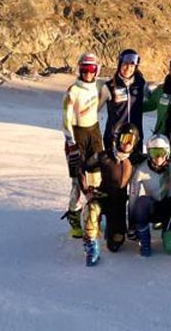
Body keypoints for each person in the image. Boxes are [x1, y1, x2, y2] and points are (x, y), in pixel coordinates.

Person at [79, 123, 141, 266]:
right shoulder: (104, 156)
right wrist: (86, 190)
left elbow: (157, 159)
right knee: (92, 209)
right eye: (125, 138)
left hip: (118, 205)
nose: (127, 144)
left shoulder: (134, 159)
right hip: (102, 197)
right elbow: (82, 169)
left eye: (131, 140)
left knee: (115, 244)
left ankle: (109, 226)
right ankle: (91, 244)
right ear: (118, 138)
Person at [60, 52, 105, 238]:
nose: (88, 73)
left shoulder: (99, 86)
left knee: (97, 180)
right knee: (79, 182)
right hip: (77, 136)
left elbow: (100, 104)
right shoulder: (73, 91)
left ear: (97, 70)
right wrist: (71, 143)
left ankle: (94, 218)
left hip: (94, 133)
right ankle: (74, 216)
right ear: (79, 69)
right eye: (84, 69)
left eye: (91, 69)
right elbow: (65, 119)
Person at [128, 134, 171, 256]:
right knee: (141, 203)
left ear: (168, 152)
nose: (158, 158)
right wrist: (132, 223)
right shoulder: (141, 170)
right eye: (154, 153)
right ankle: (145, 240)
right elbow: (133, 198)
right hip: (152, 206)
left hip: (170, 206)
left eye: (162, 152)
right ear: (148, 153)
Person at [101, 48, 148, 151]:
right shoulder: (109, 86)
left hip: (134, 138)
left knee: (133, 167)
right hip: (114, 138)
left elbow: (151, 101)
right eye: (125, 64)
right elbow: (95, 109)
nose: (128, 68)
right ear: (120, 65)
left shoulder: (140, 84)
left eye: (132, 66)